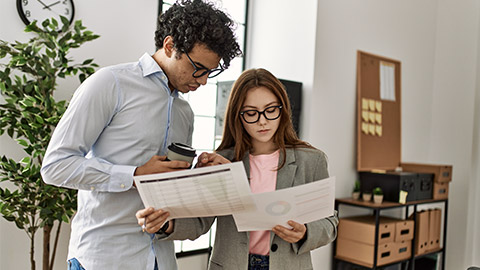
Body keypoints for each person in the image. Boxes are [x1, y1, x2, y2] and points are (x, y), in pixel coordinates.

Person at [40, 0, 242, 269]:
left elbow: (168, 183)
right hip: (105, 258)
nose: (203, 80)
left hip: (162, 258)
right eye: (198, 68)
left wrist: (198, 172)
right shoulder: (110, 83)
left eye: (210, 72)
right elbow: (55, 166)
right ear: (170, 46)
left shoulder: (184, 111)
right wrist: (134, 175)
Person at [136, 68, 338, 269]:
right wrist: (164, 223)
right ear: (238, 116)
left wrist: (305, 233)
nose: (262, 120)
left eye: (270, 110)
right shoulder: (223, 161)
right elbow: (200, 222)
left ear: (282, 109)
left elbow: (329, 223)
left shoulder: (312, 161)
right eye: (251, 113)